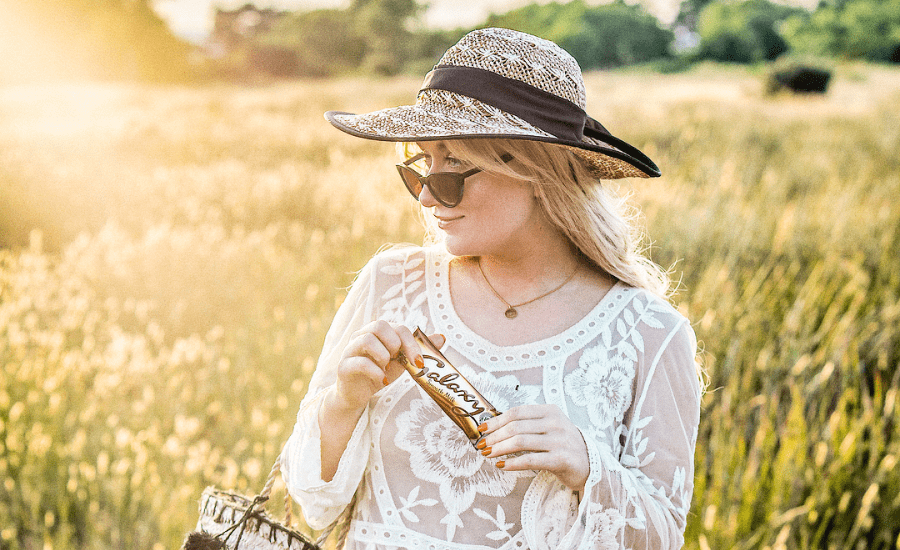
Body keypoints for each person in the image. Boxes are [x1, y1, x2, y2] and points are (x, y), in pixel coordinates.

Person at [281, 27, 702, 550]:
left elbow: (663, 537)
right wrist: (344, 403)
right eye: (420, 170)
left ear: (535, 170)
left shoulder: (650, 334)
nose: (429, 199)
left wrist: (588, 466)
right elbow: (314, 503)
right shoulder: (390, 283)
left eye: (453, 170)